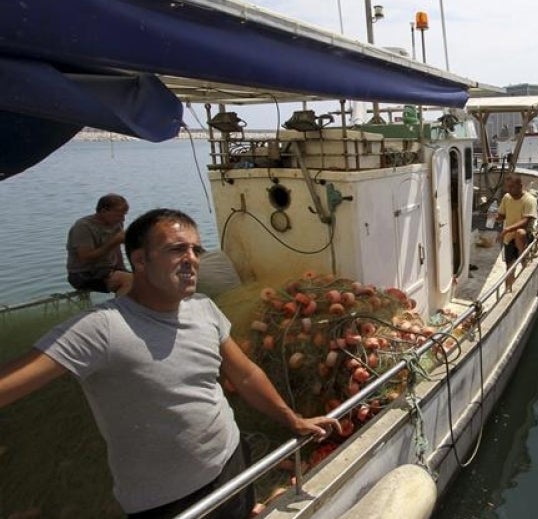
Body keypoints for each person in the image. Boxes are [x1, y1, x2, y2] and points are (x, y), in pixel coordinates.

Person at [0, 208, 336, 518]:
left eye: (196, 250)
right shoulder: (100, 329)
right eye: (177, 249)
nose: (191, 259)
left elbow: (245, 375)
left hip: (232, 463)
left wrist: (292, 420)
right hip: (165, 500)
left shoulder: (204, 308)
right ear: (140, 260)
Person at [66, 193, 133, 295]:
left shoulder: (116, 224)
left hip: (107, 269)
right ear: (103, 211)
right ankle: (120, 309)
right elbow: (85, 258)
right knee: (128, 280)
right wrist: (115, 241)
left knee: (143, 280)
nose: (122, 219)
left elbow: (117, 249)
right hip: (83, 274)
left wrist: (122, 268)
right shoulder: (83, 227)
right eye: (119, 215)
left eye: (124, 215)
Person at [495, 174, 538, 290]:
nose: (509, 190)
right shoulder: (507, 197)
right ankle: (508, 290)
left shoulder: (530, 200)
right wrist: (496, 216)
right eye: (508, 187)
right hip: (509, 237)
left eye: (512, 187)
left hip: (525, 235)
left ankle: (524, 258)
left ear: (520, 186)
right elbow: (502, 215)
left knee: (520, 233)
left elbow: (526, 221)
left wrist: (507, 229)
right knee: (509, 267)